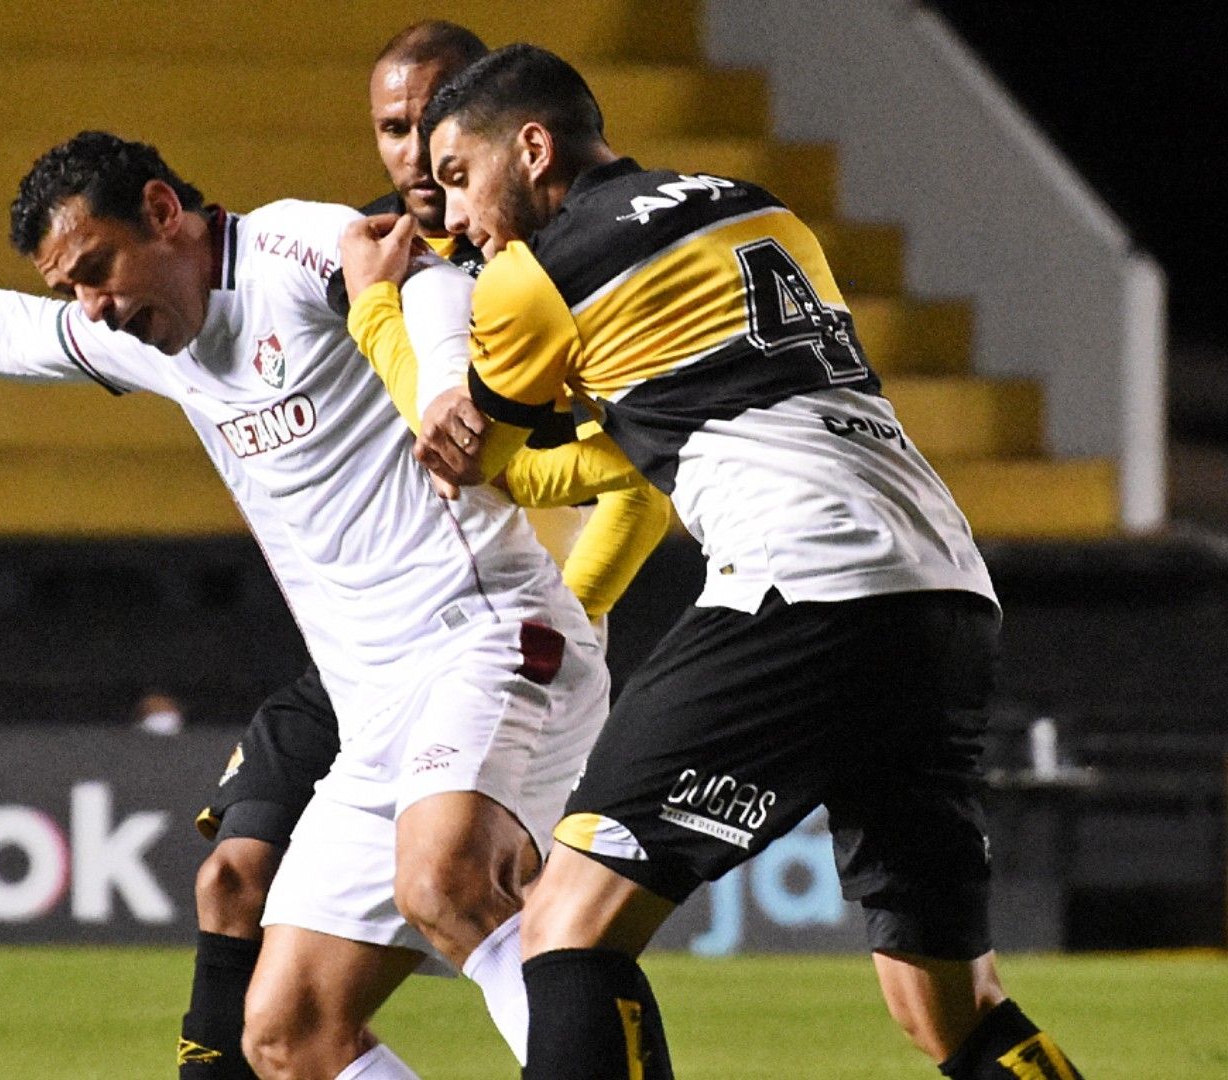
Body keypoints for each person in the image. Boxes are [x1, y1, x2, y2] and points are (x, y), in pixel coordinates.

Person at [0, 126, 602, 1079]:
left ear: (160, 212)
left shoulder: (286, 250)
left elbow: (423, 279)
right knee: (285, 1034)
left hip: (484, 640)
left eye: (98, 268)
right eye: (72, 287)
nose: (93, 308)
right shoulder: (152, 339)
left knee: (445, 879)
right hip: (373, 712)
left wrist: (443, 389)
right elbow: (4, 332)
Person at [374, 42, 1084, 1079]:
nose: (456, 216)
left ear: (531, 148)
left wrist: (379, 314)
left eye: (459, 179)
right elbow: (708, 389)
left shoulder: (537, 274)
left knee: (566, 924)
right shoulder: (757, 209)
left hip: (806, 583)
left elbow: (478, 458)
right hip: (943, 588)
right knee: (948, 1004)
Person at [180, 21, 670, 1080]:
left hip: (500, 633)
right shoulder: (355, 261)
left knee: (465, 888)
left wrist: (572, 599)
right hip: (365, 655)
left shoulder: (539, 277)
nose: (413, 153)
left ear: (500, 130)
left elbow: (628, 478)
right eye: (395, 130)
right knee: (275, 996)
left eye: (440, 130)